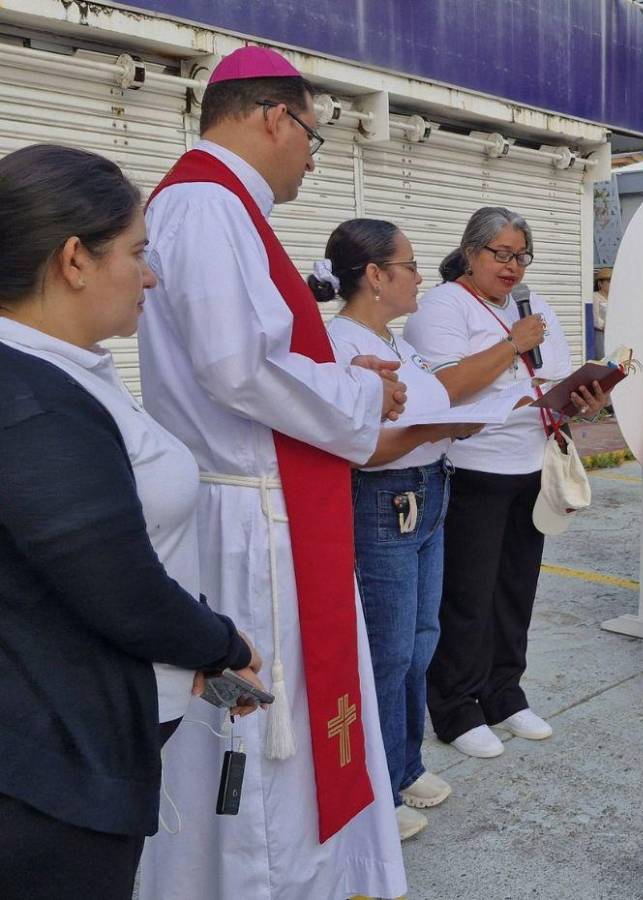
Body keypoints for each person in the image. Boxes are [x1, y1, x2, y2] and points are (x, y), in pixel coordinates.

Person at [135, 47, 409, 900]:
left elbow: (255, 361)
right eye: (314, 137)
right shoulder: (207, 205)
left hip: (265, 501)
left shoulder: (214, 206)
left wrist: (345, 387)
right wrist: (357, 394)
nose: (310, 157)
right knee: (255, 741)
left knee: (281, 732)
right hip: (246, 516)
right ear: (274, 118)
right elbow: (236, 364)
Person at [0, 144, 260, 900]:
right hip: (51, 774)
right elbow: (116, 583)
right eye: (139, 252)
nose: (150, 275)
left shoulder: (57, 369)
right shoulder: (32, 399)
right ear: (75, 260)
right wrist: (223, 643)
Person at [404, 206, 609, 759]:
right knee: (467, 596)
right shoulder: (442, 307)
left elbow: (554, 376)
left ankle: (503, 693)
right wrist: (513, 344)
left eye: (522, 256)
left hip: (532, 464)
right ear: (471, 252)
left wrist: (586, 400)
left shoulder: (533, 305)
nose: (514, 267)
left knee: (516, 589)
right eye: (502, 254)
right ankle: (456, 706)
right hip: (471, 470)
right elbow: (444, 388)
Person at [311, 219, 482, 841]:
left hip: (430, 490)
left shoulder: (395, 340)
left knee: (419, 638)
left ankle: (405, 763)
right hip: (382, 498)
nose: (419, 276)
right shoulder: (338, 345)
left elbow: (430, 408)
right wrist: (438, 430)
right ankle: (374, 786)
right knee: (385, 649)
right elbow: (357, 446)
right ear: (376, 277)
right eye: (408, 266)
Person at [592, 266, 611, 358]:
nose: (611, 284)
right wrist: (607, 326)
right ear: (600, 283)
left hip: (614, 333)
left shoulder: (614, 298)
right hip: (601, 335)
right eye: (608, 281)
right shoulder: (595, 296)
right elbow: (595, 318)